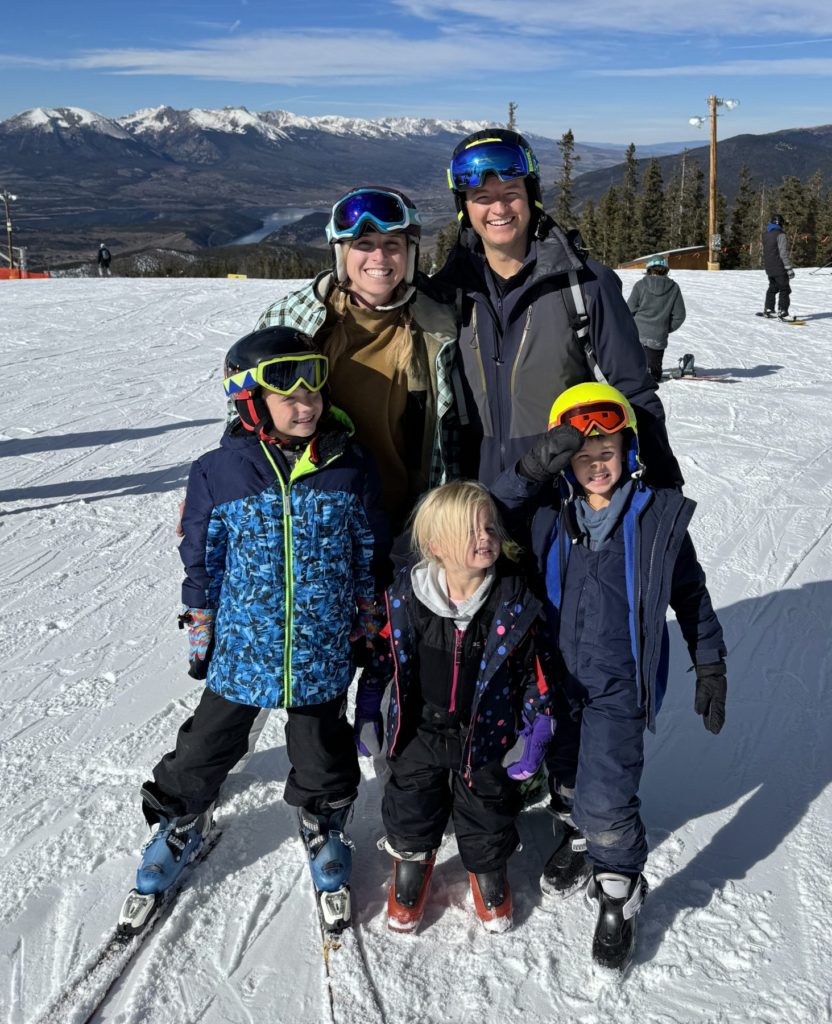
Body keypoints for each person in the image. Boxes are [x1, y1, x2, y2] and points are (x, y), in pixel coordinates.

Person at [119, 326, 390, 936]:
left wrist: (369, 621)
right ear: (250, 401)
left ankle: (323, 817)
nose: (306, 404)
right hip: (244, 644)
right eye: (287, 394)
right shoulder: (220, 470)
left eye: (314, 389)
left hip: (320, 646)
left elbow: (368, 550)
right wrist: (202, 621)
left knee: (322, 745)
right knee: (209, 740)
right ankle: (181, 814)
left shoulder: (349, 465)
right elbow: (203, 555)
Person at [491, 382, 727, 970]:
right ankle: (576, 838)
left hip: (620, 685)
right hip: (555, 682)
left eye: (608, 453)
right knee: (566, 777)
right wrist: (529, 467)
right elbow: (489, 513)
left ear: (629, 452)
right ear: (563, 462)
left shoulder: (657, 519)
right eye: (582, 456)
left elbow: (691, 595)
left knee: (607, 795)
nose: (597, 466)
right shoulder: (549, 516)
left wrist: (711, 662)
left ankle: (618, 887)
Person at [242, 187, 465, 764]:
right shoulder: (299, 317)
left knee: (393, 645)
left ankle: (394, 755)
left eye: (393, 244)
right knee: (287, 641)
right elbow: (247, 415)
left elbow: (460, 425)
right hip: (311, 519)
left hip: (401, 517)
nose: (379, 258)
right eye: (364, 244)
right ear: (340, 252)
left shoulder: (437, 322)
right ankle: (222, 755)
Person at [429, 128, 682, 491]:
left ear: (531, 197)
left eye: (511, 194)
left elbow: (635, 393)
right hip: (477, 500)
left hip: (563, 495)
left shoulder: (585, 285)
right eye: (482, 197)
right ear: (464, 208)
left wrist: (663, 492)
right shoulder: (447, 293)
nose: (498, 209)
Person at [375, 480, 553, 934]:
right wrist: (367, 707)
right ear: (436, 545)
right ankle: (413, 861)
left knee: (486, 803)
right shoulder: (406, 598)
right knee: (411, 797)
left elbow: (534, 671)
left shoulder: (512, 600)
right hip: (421, 727)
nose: (487, 538)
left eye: (490, 527)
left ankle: (487, 865)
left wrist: (536, 722)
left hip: (486, 728)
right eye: (471, 531)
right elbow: (384, 659)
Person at [626, 257, 687, 383]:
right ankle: (653, 374)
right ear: (665, 270)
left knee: (635, 368)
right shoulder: (674, 288)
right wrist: (664, 328)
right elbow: (679, 316)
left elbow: (629, 309)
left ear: (648, 269)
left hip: (637, 334)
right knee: (654, 374)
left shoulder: (640, 285)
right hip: (658, 337)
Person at [762, 213, 795, 319]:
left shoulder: (766, 235)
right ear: (781, 224)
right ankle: (783, 312)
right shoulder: (781, 235)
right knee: (784, 289)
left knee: (773, 287)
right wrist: (789, 268)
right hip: (779, 267)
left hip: (769, 267)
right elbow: (783, 253)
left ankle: (769, 309)